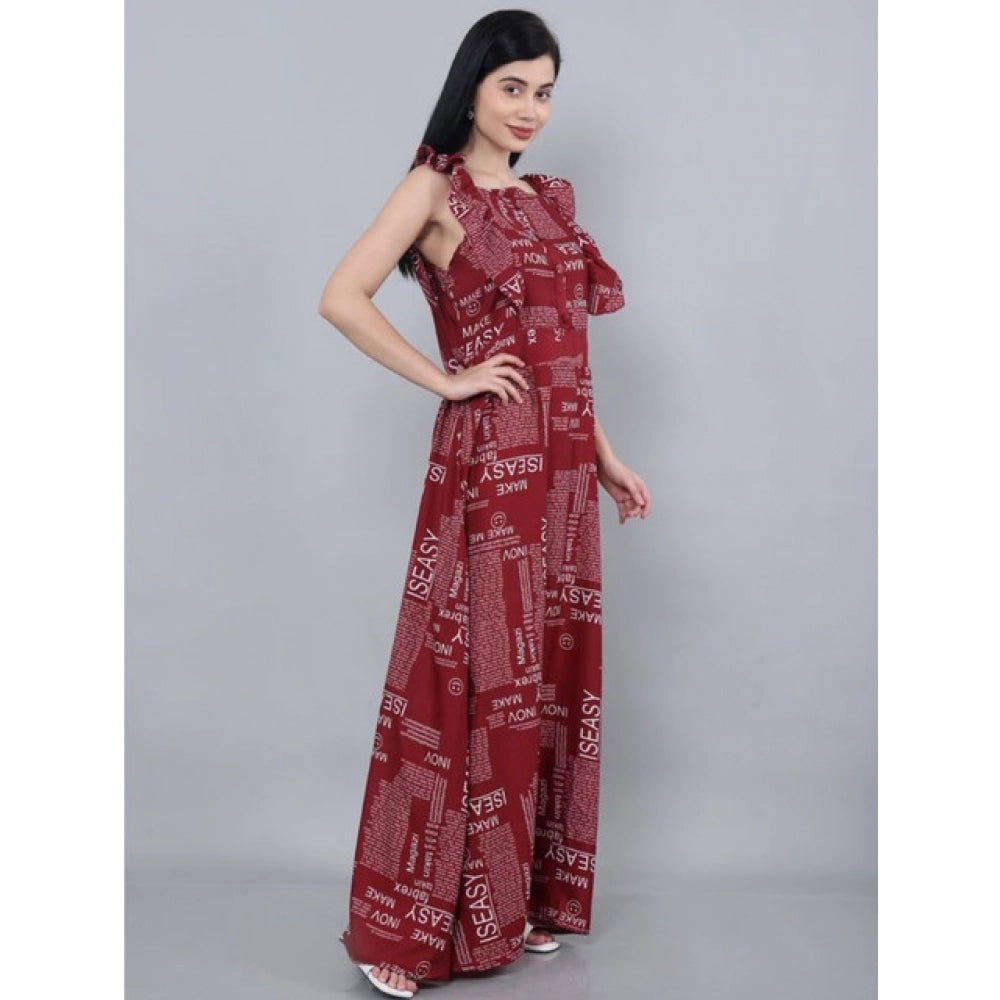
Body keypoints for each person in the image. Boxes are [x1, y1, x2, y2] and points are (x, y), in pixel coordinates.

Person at [316, 10, 651, 997]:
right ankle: (409, 928)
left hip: (563, 475)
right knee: (463, 678)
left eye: (545, 92)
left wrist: (605, 457)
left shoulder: (549, 202)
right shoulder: (434, 188)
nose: (531, 109)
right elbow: (342, 295)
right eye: (513, 88)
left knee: (545, 680)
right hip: (493, 465)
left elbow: (562, 351)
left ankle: (518, 901)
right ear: (471, 89)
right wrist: (448, 378)